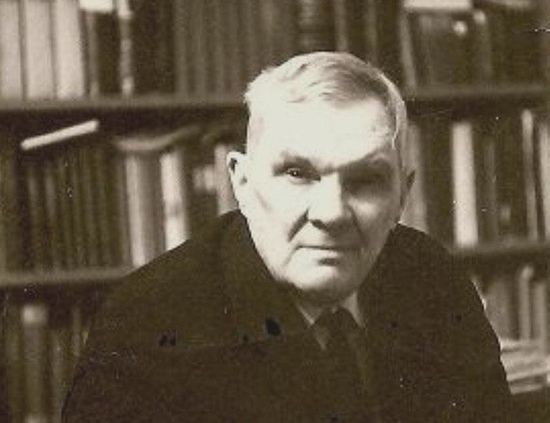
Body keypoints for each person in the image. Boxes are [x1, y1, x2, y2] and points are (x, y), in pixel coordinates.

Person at [63, 52, 511, 422]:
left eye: (366, 180)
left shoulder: (433, 278)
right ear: (241, 183)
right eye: (297, 173)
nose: (331, 214)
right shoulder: (150, 321)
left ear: (402, 196)